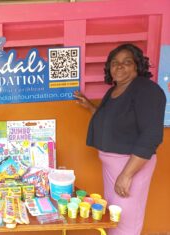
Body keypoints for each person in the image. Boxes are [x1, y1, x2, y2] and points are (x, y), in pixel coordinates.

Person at [74, 43, 166, 235]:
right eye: (114, 63)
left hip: (130, 166)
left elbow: (151, 135)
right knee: (113, 217)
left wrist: (126, 175)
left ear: (137, 66)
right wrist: (90, 106)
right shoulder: (114, 90)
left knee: (126, 222)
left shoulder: (146, 90)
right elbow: (110, 118)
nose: (119, 66)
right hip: (112, 166)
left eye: (127, 62)